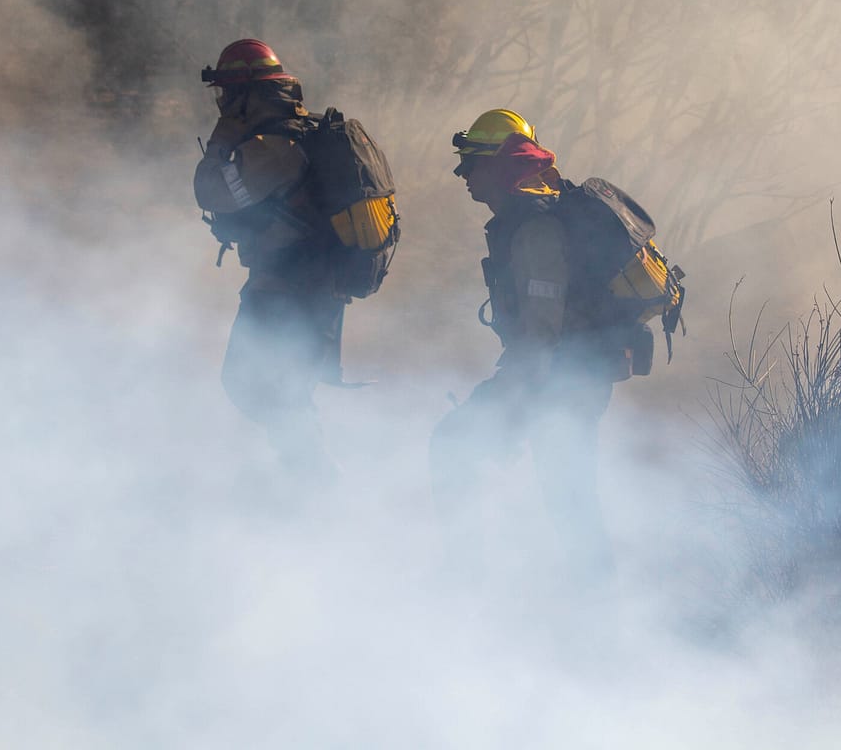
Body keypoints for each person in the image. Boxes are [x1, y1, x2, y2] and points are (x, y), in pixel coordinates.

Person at [194, 39, 397, 488]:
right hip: (310, 286)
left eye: (227, 92)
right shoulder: (297, 135)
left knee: (255, 385)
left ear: (246, 93)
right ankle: (308, 478)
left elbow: (212, 192)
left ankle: (317, 480)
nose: (223, 104)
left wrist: (219, 143)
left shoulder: (272, 148)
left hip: (287, 288)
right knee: (282, 387)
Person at [430, 108, 619, 589]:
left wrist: (513, 398)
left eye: (471, 163)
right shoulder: (527, 217)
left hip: (560, 382)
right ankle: (582, 598)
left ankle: (472, 580)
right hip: (565, 377)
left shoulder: (535, 229)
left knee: (463, 448)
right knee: (566, 494)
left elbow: (541, 332)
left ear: (499, 165)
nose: (464, 175)